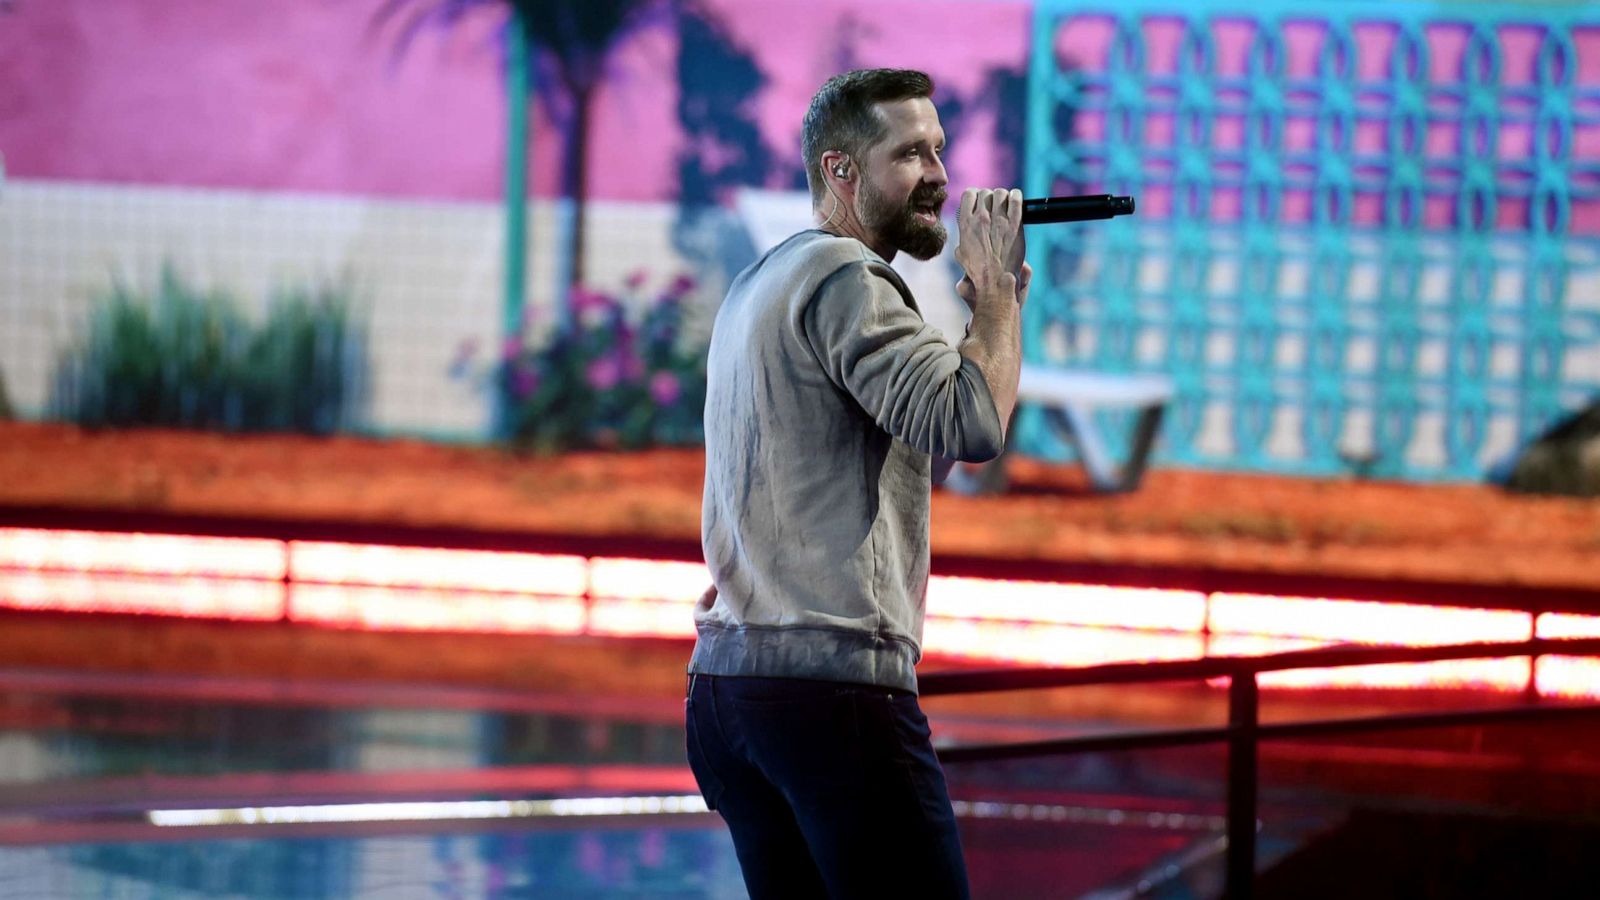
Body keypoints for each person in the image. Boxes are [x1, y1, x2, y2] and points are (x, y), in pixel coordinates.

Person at [685, 68, 1030, 899]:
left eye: (940, 150)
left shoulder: (759, 283)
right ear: (840, 171)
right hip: (830, 693)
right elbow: (973, 424)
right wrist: (996, 302)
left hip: (729, 691)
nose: (940, 177)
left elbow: (921, 429)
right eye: (909, 154)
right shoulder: (848, 279)